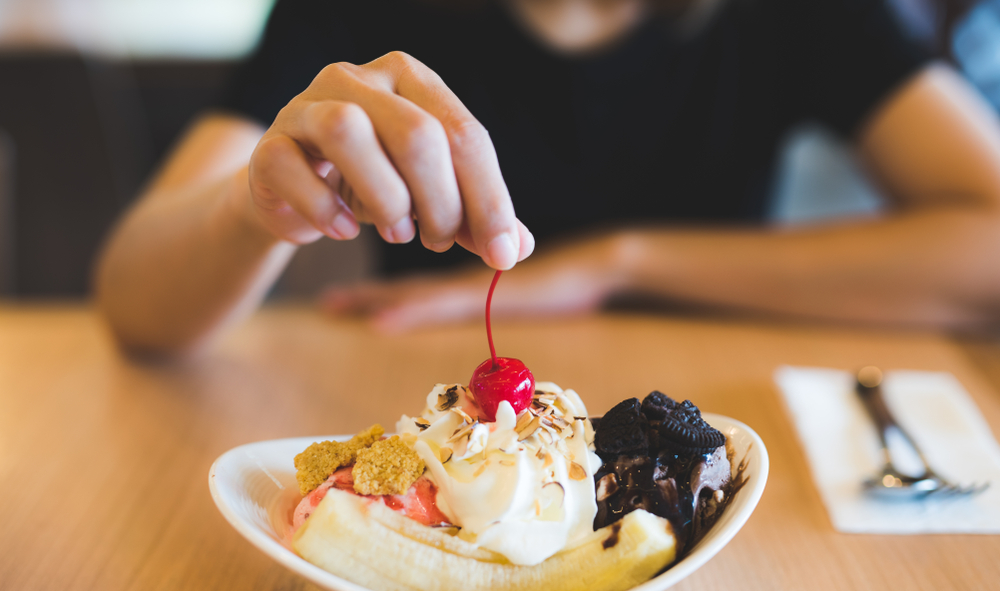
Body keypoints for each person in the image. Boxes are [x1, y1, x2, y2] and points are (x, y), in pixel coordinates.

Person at [94, 0, 1000, 355]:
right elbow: (134, 301)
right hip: (428, 408)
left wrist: (619, 262)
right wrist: (254, 209)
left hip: (732, 433)